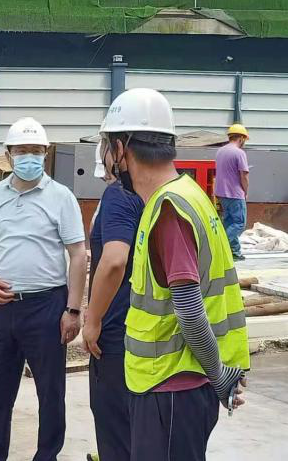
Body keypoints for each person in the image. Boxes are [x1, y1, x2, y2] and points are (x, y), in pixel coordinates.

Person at [100, 89, 250, 461]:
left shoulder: (169, 211)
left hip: (170, 388)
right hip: (177, 386)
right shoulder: (189, 193)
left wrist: (219, 374)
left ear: (121, 148)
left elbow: (189, 310)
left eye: (108, 147)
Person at [0, 117, 87, 461]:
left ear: (45, 153)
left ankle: (47, 455)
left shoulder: (61, 197)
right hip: (3, 307)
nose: (29, 157)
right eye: (22, 151)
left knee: (50, 394)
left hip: (47, 307)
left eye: (35, 150)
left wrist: (73, 309)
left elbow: (77, 254)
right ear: (8, 155)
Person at [82, 140, 144, 461]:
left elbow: (115, 260)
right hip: (150, 328)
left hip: (117, 329)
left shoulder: (119, 195)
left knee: (114, 422)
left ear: (118, 149)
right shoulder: (170, 194)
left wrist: (93, 320)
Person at [215, 124, 251, 261]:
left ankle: (235, 252)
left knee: (229, 221)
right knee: (239, 223)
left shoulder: (220, 151)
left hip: (221, 192)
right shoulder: (239, 153)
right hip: (235, 193)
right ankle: (219, 245)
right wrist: (245, 191)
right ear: (241, 138)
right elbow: (244, 175)